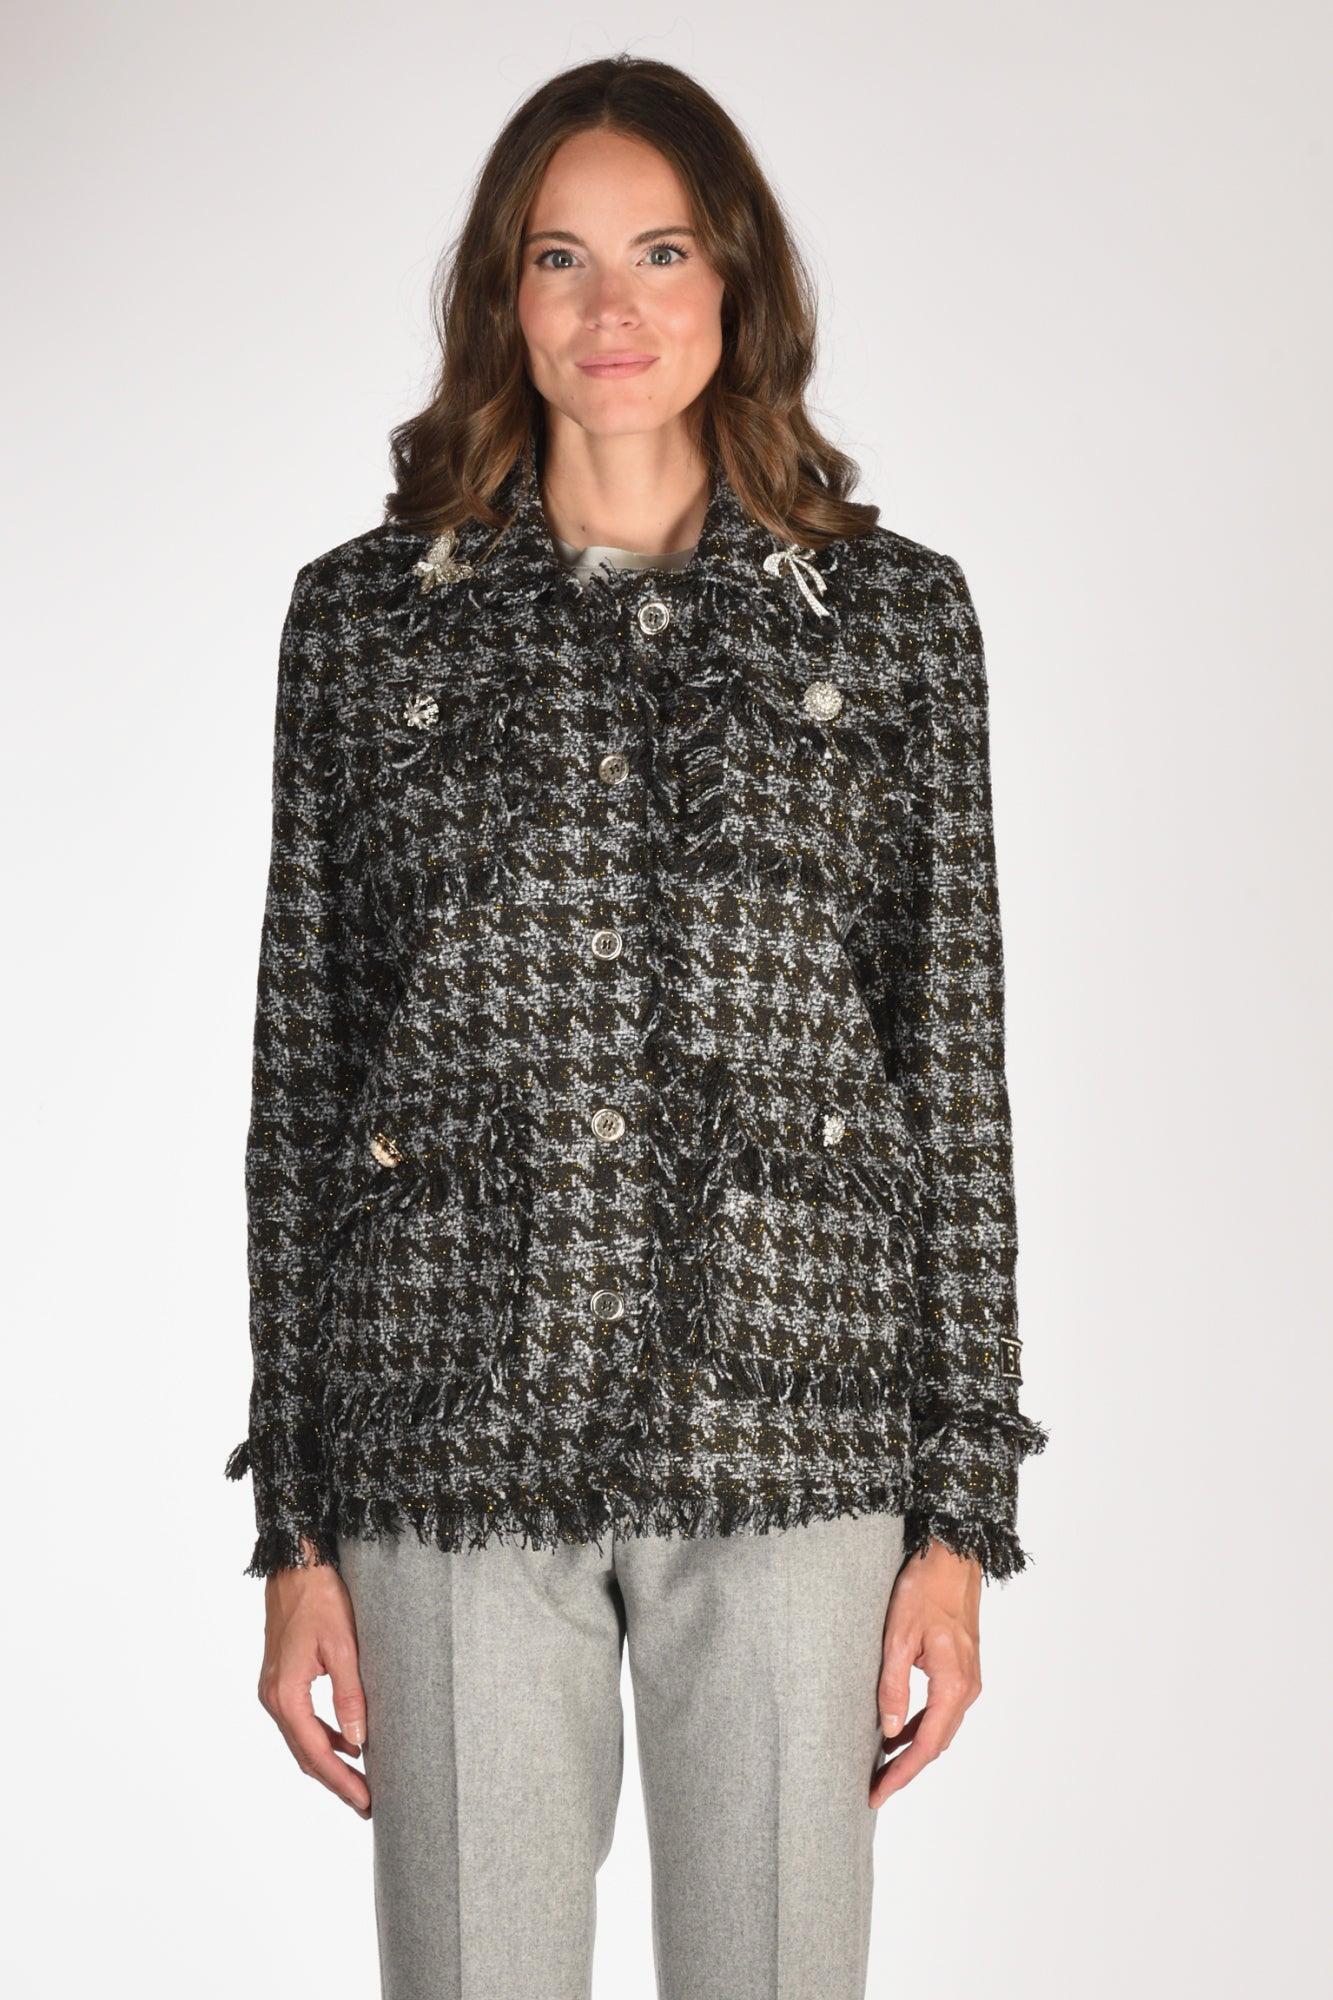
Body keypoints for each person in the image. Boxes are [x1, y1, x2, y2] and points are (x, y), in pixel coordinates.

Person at [225, 52, 1049, 2000]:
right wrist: (297, 1530)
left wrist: (957, 1519)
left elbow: (949, 1067)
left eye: (661, 252)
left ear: (734, 281)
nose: (613, 307)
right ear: (501, 299)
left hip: (789, 1413)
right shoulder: (364, 623)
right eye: (560, 258)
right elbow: (301, 1070)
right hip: (448, 1413)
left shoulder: (889, 623)